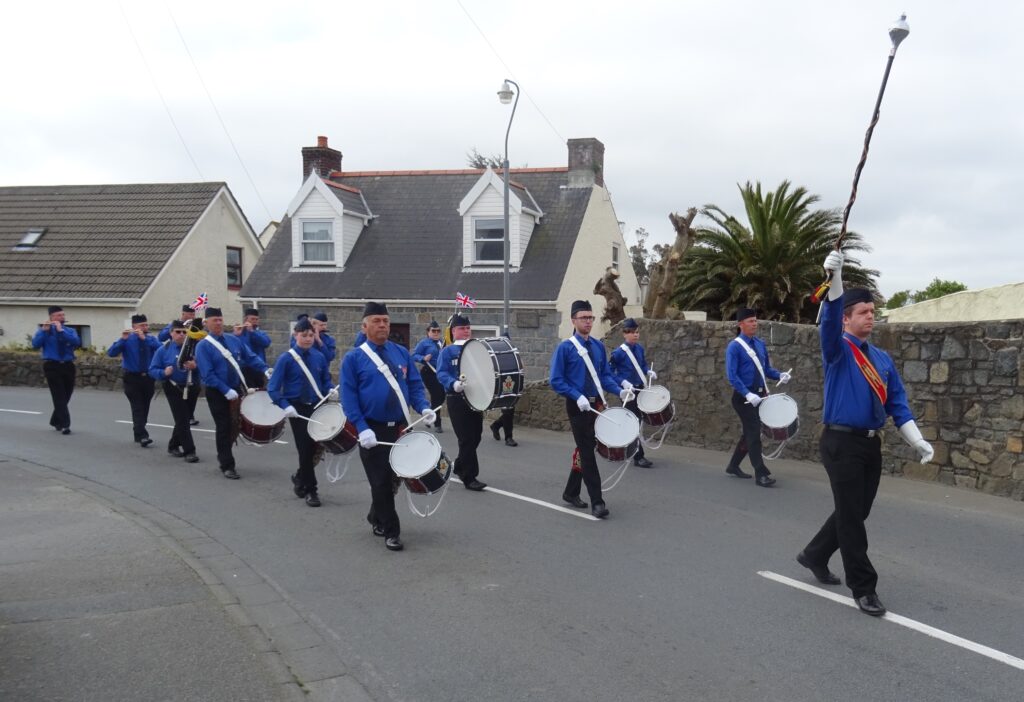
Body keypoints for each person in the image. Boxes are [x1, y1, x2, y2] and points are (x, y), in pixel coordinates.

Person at [798, 252, 933, 617]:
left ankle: (813, 554)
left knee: (856, 510)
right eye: (863, 312)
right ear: (847, 319)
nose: (871, 316)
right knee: (852, 517)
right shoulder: (837, 350)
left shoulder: (883, 360)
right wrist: (836, 276)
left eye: (873, 311)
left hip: (871, 442)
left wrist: (916, 439)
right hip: (840, 443)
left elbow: (898, 405)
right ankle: (864, 587)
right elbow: (827, 318)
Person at [341, 302, 435, 552]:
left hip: (400, 427)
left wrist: (423, 407)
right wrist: (361, 428)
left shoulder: (401, 353)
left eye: (385, 320)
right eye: (376, 321)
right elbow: (349, 399)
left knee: (391, 480)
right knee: (380, 481)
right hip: (372, 431)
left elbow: (414, 384)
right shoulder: (353, 358)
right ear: (365, 326)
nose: (382, 325)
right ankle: (391, 531)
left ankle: (376, 517)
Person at [549, 299, 632, 519]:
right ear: (574, 320)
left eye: (591, 317)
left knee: (585, 448)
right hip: (577, 406)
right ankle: (598, 501)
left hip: (596, 404)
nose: (588, 321)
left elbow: (604, 375)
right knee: (587, 452)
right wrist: (576, 396)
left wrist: (618, 389)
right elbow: (556, 380)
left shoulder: (597, 346)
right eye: (584, 318)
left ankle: (571, 491)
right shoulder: (565, 348)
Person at [194, 307, 270, 479]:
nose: (219, 323)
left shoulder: (233, 340)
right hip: (217, 391)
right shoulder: (203, 346)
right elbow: (207, 374)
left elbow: (250, 357)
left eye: (220, 319)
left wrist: (265, 369)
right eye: (215, 320)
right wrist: (224, 389)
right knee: (223, 426)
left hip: (235, 388)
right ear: (206, 323)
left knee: (235, 425)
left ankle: (224, 452)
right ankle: (227, 464)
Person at [268, 318, 336, 507]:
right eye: (303, 335)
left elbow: (325, 381)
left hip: (317, 406)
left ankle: (300, 478)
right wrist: (284, 405)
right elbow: (273, 388)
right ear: (295, 335)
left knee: (315, 448)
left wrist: (330, 389)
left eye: (310, 335)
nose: (307, 339)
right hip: (297, 409)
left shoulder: (319, 357)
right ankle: (311, 490)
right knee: (305, 449)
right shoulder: (286, 359)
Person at [724, 307, 792, 487]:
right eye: (750, 321)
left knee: (749, 434)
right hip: (743, 398)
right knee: (754, 432)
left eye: (755, 320)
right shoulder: (734, 347)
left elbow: (766, 370)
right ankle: (761, 473)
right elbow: (732, 376)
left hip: (760, 396)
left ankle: (733, 465)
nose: (755, 324)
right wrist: (747, 393)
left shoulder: (760, 344)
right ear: (741, 324)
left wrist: (780, 375)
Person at [436, 315, 487, 491]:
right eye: (462, 328)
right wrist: (453, 383)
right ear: (453, 331)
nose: (466, 331)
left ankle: (459, 465)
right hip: (456, 398)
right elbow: (441, 373)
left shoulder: (476, 349)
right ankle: (470, 476)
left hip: (475, 397)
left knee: (477, 435)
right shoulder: (447, 351)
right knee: (466, 438)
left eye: (467, 328)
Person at [148, 320, 200, 462]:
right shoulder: (163, 349)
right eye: (178, 332)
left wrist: (195, 366)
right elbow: (152, 369)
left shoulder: (193, 348)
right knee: (183, 420)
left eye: (184, 332)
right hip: (173, 387)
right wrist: (164, 372)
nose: (181, 334)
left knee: (183, 418)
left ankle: (173, 445)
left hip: (191, 386)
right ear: (171, 333)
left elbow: (203, 367)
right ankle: (190, 451)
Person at [107, 314, 162, 446]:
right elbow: (111, 353)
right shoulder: (127, 339)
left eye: (146, 325)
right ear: (134, 327)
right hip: (131, 377)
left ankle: (138, 432)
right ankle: (143, 435)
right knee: (137, 406)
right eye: (142, 325)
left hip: (148, 377)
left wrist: (145, 339)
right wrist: (122, 339)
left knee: (145, 407)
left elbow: (161, 349)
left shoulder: (151, 339)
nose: (145, 327)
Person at [609, 317, 654, 468]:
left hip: (639, 387)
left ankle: (620, 448)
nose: (635, 335)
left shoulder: (639, 349)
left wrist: (648, 371)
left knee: (637, 421)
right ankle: (638, 456)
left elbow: (642, 365)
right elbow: (609, 372)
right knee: (634, 422)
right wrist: (622, 382)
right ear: (624, 334)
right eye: (631, 332)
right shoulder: (619, 353)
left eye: (637, 332)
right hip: (628, 391)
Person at [31, 305, 81, 435]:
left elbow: (76, 342)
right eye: (59, 315)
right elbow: (35, 344)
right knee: (58, 395)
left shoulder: (69, 330)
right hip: (52, 366)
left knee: (66, 395)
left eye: (63, 315)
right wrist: (43, 331)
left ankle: (55, 420)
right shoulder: (45, 331)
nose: (62, 317)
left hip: (68, 365)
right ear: (52, 317)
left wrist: (61, 331)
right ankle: (65, 425)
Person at [159, 305, 200, 426]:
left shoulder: (195, 325)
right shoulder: (175, 326)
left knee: (194, 391)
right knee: (181, 412)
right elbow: (161, 336)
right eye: (190, 315)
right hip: (177, 357)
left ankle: (189, 415)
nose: (192, 317)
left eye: (194, 315)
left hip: (192, 358)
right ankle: (187, 418)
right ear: (183, 314)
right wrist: (178, 326)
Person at [412, 320, 445, 433]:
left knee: (442, 396)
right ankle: (437, 423)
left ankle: (429, 415)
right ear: (428, 332)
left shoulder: (441, 342)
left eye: (438, 331)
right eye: (433, 331)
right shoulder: (424, 343)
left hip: (440, 372)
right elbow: (414, 355)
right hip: (428, 372)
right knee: (436, 396)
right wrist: (423, 358)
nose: (436, 333)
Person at [235, 307, 272, 390]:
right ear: (245, 319)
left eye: (256, 319)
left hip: (259, 368)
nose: (255, 321)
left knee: (260, 391)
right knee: (248, 392)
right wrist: (236, 335)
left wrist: (252, 332)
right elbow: (237, 346)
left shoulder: (261, 333)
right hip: (245, 367)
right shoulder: (240, 333)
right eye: (252, 319)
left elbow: (266, 343)